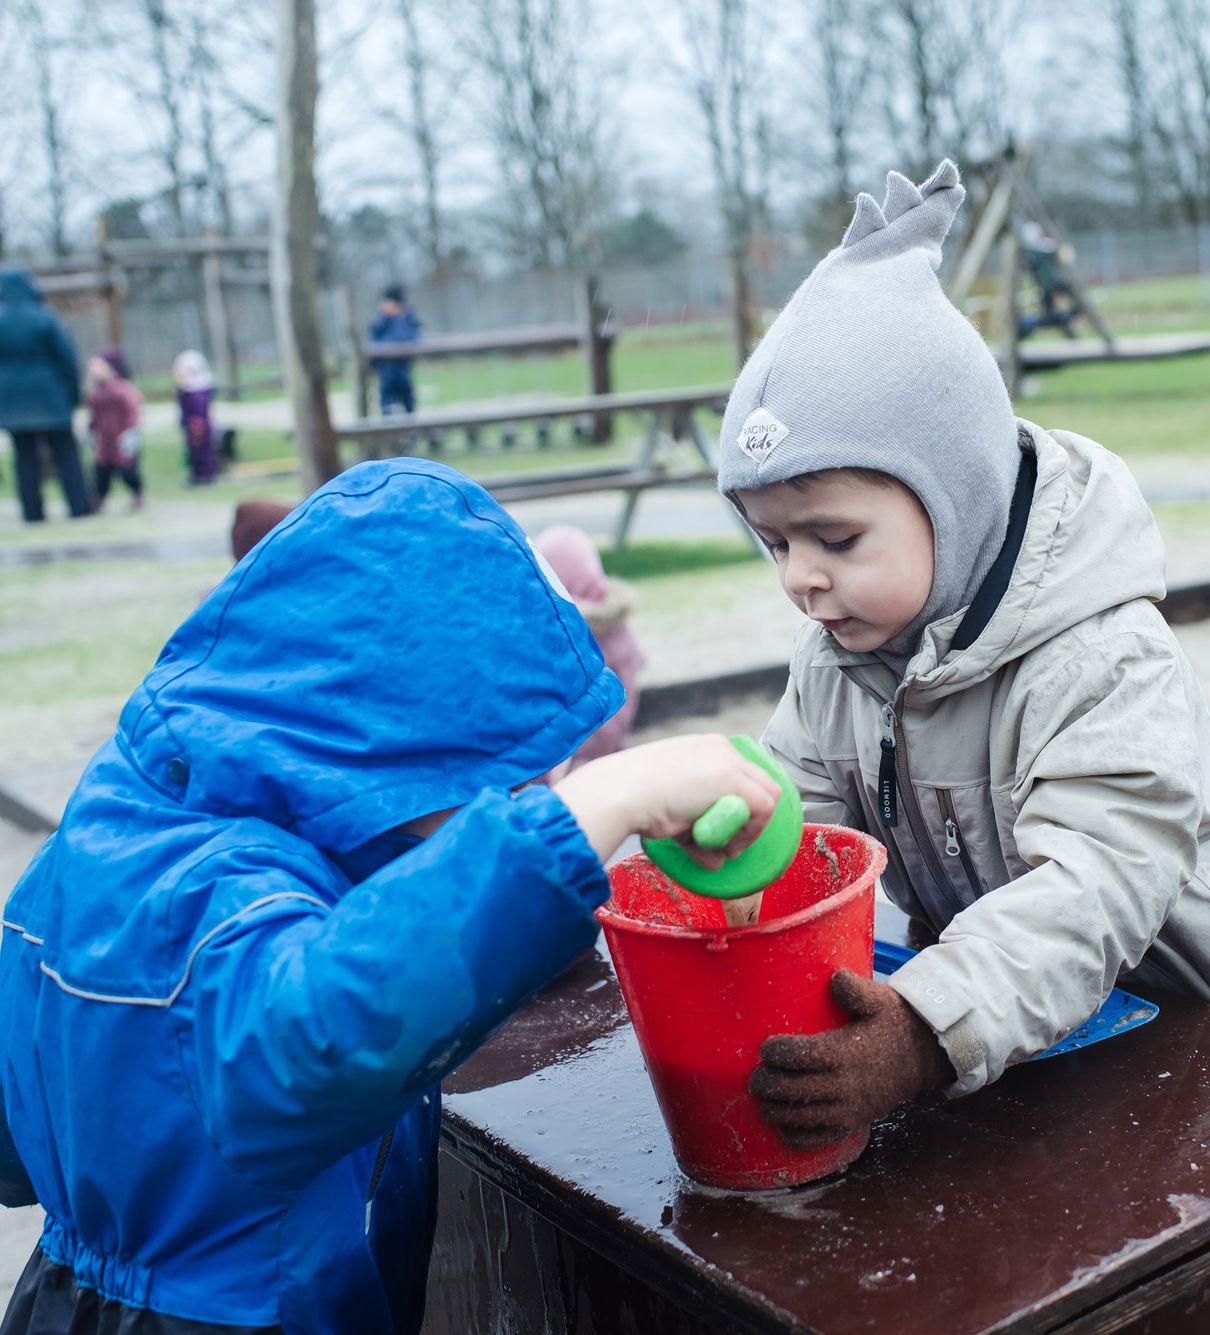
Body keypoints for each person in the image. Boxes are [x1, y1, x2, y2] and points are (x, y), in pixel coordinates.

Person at [0, 458, 779, 1332]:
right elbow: (322, 1037)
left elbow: (12, 1149)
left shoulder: (119, 838)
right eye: (505, 786)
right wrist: (597, 807)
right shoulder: (218, 901)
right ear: (392, 748)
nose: (525, 799)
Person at [718, 162, 1210, 1147]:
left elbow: (1099, 882)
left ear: (954, 506)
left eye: (834, 539)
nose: (798, 578)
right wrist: (746, 866)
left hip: (1194, 1009)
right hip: (998, 996)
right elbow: (807, 824)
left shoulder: (1100, 655)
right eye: (774, 543)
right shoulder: (834, 655)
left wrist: (918, 1030)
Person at [535, 524, 647, 764]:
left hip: (564, 757)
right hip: (614, 748)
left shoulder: (549, 626)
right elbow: (635, 662)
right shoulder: (615, 622)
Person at [0, 265, 92, 523]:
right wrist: (73, 395)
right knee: (66, 454)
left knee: (24, 459)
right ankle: (79, 507)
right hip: (50, 397)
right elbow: (66, 358)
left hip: (12, 403)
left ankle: (32, 513)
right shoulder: (44, 317)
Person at [84, 347, 146, 512]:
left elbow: (133, 411)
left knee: (128, 471)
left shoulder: (123, 390)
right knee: (101, 473)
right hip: (105, 443)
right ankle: (98, 500)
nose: (93, 370)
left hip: (122, 439)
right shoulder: (95, 393)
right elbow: (94, 416)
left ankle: (137, 495)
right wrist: (90, 431)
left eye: (98, 366)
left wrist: (132, 432)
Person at [370, 285, 424, 416]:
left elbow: (410, 338)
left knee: (407, 401)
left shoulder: (407, 320)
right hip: (386, 371)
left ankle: (411, 431)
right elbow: (373, 341)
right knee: (387, 403)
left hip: (402, 370)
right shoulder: (381, 322)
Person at [173, 349, 221, 485]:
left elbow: (199, 412)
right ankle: (197, 474)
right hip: (191, 425)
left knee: (202, 452)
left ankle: (205, 475)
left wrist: (196, 427)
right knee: (193, 452)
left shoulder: (197, 391)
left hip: (198, 427)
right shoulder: (187, 390)